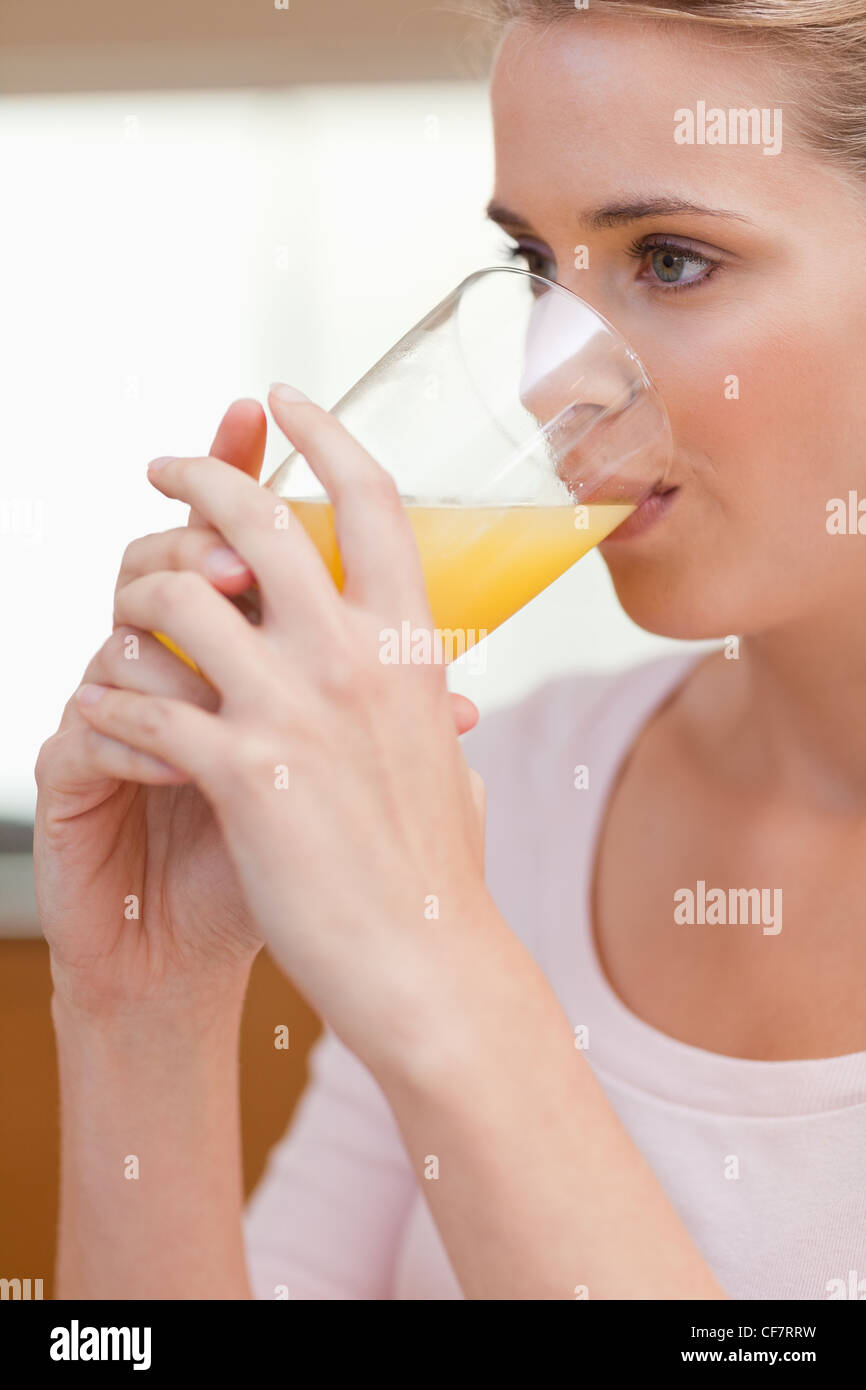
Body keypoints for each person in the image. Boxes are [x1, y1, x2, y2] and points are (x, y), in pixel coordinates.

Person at [34, 0, 866, 1301]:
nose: (549, 379)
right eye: (538, 264)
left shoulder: (428, 863)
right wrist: (148, 1003)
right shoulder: (521, 793)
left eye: (667, 259)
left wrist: (438, 971)